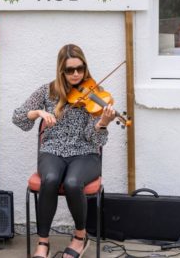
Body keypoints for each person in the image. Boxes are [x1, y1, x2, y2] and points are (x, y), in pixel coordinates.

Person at [12, 44, 115, 258]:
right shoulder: (47, 91)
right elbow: (18, 117)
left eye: (80, 68)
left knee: (72, 182)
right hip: (52, 151)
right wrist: (39, 112)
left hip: (85, 153)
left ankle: (79, 236)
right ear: (61, 70)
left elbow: (95, 139)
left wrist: (102, 123)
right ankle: (43, 242)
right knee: (49, 178)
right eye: (70, 70)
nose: (76, 74)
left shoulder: (94, 93)